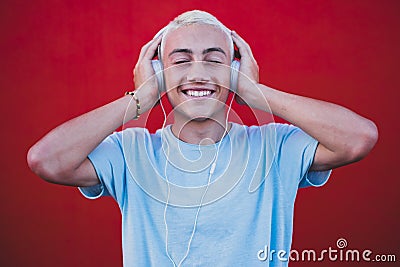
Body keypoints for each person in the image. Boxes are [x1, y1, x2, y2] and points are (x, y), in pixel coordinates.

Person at [27, 10, 378, 267]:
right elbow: (47, 160)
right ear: (158, 74)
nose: (198, 72)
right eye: (181, 61)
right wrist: (139, 100)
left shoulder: (276, 148)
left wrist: (257, 94)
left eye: (214, 60)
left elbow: (358, 138)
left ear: (236, 71)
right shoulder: (130, 152)